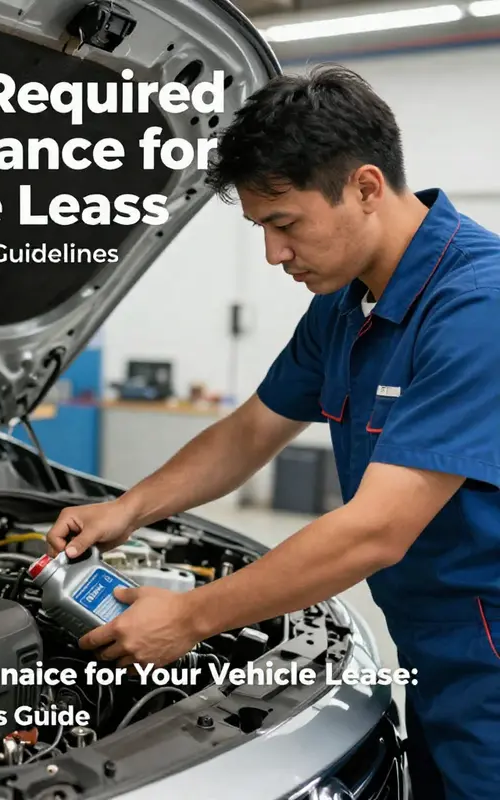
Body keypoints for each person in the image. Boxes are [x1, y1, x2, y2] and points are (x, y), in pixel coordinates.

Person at [45, 65, 500, 800]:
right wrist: (128, 509)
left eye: (284, 224)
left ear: (365, 187)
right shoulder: (347, 305)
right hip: (438, 648)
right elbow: (251, 431)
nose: (273, 255)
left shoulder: (478, 308)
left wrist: (189, 618)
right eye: (261, 228)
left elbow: (374, 531)